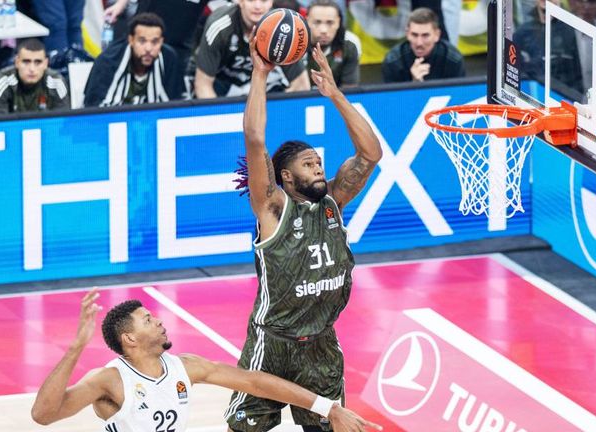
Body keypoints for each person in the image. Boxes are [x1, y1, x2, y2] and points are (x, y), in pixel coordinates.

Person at [224, 39, 382, 431]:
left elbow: (370, 155)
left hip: (322, 343)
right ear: (287, 177)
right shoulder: (273, 209)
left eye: (319, 162)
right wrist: (260, 73)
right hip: (273, 342)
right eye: (308, 164)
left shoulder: (333, 202)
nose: (318, 166)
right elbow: (255, 139)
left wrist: (334, 93)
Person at [30, 289, 381, 432]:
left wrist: (327, 407)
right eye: (148, 320)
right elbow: (43, 415)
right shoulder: (109, 379)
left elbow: (255, 382)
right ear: (130, 339)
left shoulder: (186, 367)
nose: (159, 320)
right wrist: (76, 347)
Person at [193, 0, 310, 98]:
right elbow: (203, 85)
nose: (257, 6)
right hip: (222, 83)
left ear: (271, 2)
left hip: (263, 83)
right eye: (251, 0)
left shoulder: (283, 27)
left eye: (264, 0)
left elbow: (301, 85)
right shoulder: (219, 25)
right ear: (239, 1)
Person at [83, 13, 184, 107]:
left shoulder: (169, 60)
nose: (148, 48)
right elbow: (92, 106)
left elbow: (175, 105)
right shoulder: (107, 61)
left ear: (162, 41)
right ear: (131, 40)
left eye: (155, 42)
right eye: (142, 41)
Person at [381, 7, 465, 83]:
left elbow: (460, 96)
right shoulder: (393, 61)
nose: (419, 43)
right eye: (414, 35)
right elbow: (394, 99)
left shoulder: (452, 59)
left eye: (425, 35)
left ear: (437, 35)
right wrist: (415, 83)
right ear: (407, 34)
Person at [0, 38, 69, 114]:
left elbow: (62, 122)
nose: (32, 69)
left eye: (38, 62)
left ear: (45, 63)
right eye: (26, 62)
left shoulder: (56, 83)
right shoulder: (2, 82)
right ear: (17, 62)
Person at [305, 0, 360, 88]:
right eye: (317, 22)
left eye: (330, 23)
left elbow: (350, 90)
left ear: (338, 22)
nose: (324, 30)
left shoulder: (349, 48)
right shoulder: (292, 47)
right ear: (307, 21)